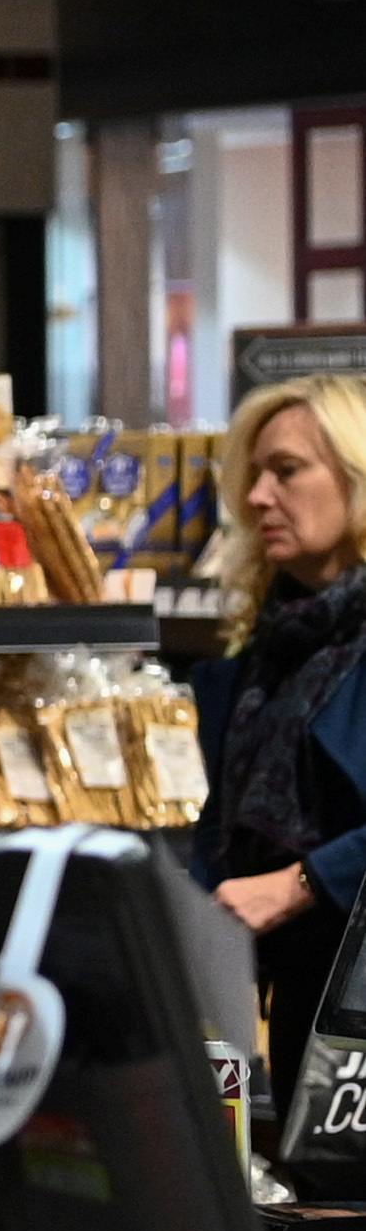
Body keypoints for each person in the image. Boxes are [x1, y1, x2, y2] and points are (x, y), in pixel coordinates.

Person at [195, 373, 366, 1090]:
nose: (258, 496)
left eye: (286, 471)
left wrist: (298, 883)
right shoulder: (264, 644)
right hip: (298, 1013)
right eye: (254, 476)